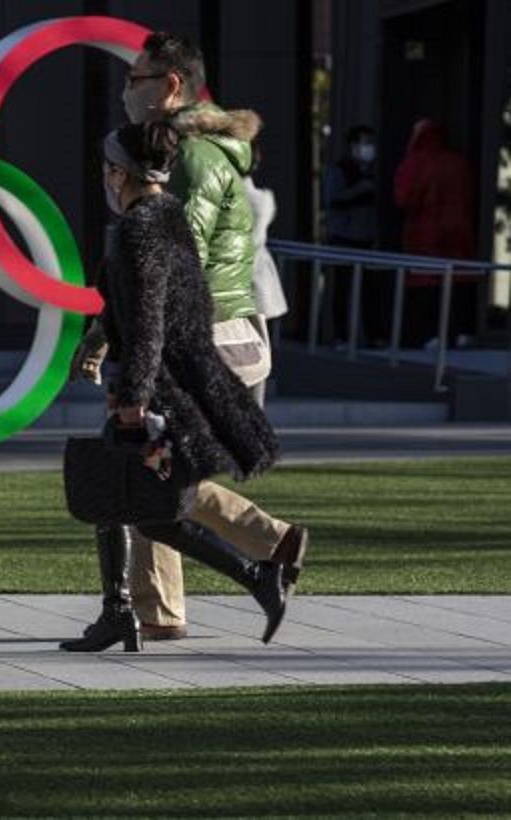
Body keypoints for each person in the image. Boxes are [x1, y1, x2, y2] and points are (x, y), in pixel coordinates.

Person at [74, 30, 308, 642]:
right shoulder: (189, 152)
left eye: (136, 79)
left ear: (171, 85)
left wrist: (116, 344)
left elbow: (172, 270)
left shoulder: (192, 159)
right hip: (208, 330)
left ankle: (261, 550)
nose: (127, 91)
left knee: (139, 465)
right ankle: (160, 606)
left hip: (206, 333)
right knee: (147, 467)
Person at [393, 118, 479, 348]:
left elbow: (404, 199)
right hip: (459, 230)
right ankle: (462, 332)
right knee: (459, 279)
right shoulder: (459, 162)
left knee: (427, 280)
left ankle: (431, 335)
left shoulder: (415, 162)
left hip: (425, 233)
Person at [322, 125, 383, 346]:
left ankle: (374, 336)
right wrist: (361, 189)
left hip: (366, 238)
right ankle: (341, 336)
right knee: (343, 289)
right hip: (344, 237)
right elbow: (332, 199)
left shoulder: (372, 171)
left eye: (371, 143)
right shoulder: (340, 170)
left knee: (370, 290)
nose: (369, 148)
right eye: (365, 143)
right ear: (352, 146)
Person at [245, 144, 288, 398]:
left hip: (235, 285)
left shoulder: (227, 196)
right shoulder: (264, 198)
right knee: (259, 356)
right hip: (260, 285)